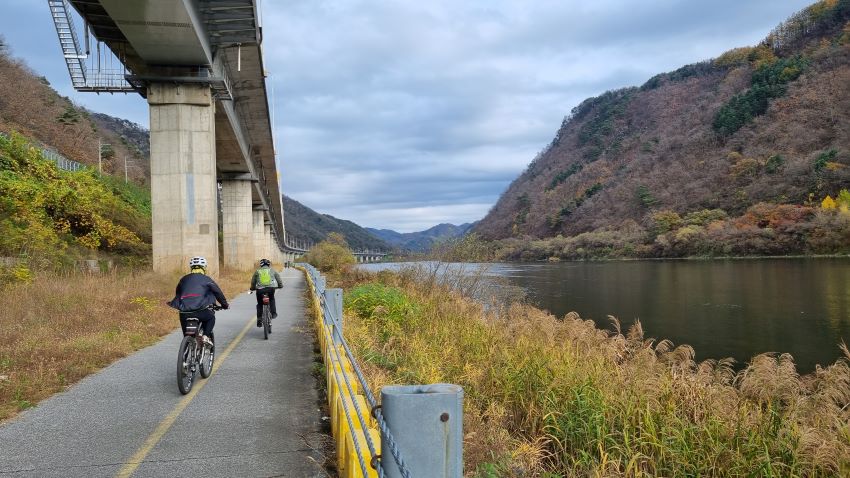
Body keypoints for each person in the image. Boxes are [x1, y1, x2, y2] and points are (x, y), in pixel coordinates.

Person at [168, 256, 229, 346]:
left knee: (187, 337)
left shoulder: (183, 279)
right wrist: (225, 305)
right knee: (211, 318)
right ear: (204, 268)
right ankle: (205, 336)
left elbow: (178, 293)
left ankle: (185, 351)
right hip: (201, 311)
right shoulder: (207, 279)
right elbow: (217, 292)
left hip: (184, 312)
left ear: (191, 268)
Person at [250, 258, 283, 327]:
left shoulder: (257, 271)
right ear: (268, 264)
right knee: (271, 299)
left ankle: (259, 319)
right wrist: (280, 286)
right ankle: (273, 313)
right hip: (270, 289)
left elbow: (253, 281)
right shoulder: (272, 270)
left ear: (261, 264)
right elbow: (278, 278)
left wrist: (252, 288)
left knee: (259, 304)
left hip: (260, 290)